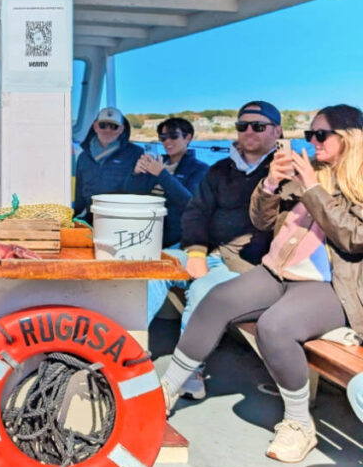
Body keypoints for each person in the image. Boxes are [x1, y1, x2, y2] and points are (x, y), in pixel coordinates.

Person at [159, 104, 363, 463]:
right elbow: (261, 220)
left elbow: (353, 238)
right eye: (309, 134)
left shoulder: (355, 181)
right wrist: (269, 184)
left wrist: (313, 189)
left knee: (275, 327)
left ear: (349, 138)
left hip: (328, 288)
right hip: (277, 272)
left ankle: (299, 424)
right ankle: (166, 391)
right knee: (217, 299)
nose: (312, 142)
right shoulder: (307, 171)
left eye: (321, 135)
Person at [168, 101, 282, 398]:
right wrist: (195, 252)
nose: (248, 131)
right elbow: (196, 212)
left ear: (277, 131)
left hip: (246, 267)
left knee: (203, 289)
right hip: (208, 253)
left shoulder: (285, 173)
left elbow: (276, 229)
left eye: (258, 126)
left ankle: (189, 375)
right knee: (152, 266)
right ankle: (130, 355)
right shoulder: (221, 169)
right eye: (242, 125)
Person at [125, 117, 209, 325]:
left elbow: (189, 203)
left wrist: (162, 175)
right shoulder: (157, 164)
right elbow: (131, 195)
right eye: (163, 137)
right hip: (148, 236)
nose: (167, 142)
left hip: (177, 239)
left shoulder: (200, 170)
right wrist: (136, 174)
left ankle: (136, 328)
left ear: (188, 137)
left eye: (173, 136)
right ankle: (121, 322)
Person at [73, 106, 143, 222]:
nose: (108, 130)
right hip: (90, 218)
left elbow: (141, 189)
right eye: (103, 125)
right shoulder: (83, 157)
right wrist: (74, 215)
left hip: (121, 217)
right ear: (95, 127)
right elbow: (79, 192)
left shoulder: (136, 153)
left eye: (113, 127)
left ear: (121, 129)